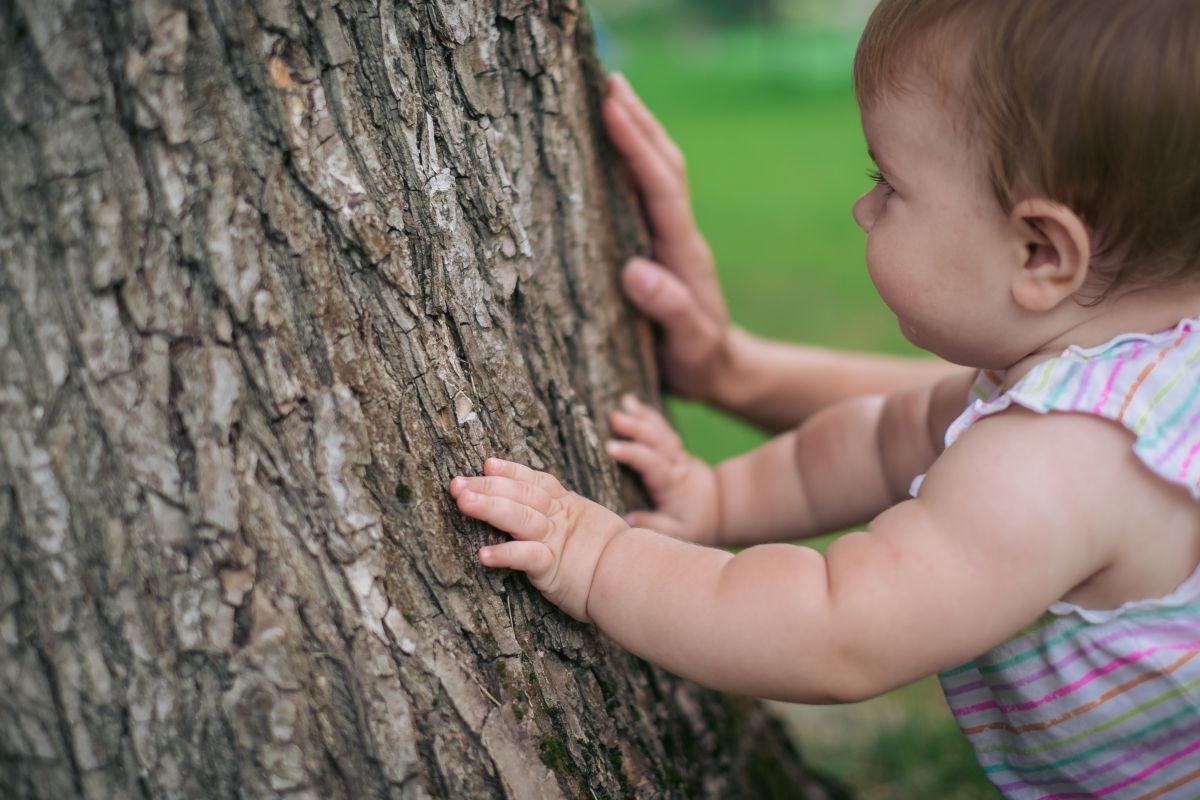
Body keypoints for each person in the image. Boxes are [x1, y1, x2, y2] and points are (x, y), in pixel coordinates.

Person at [449, 1, 1200, 795]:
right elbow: (884, 438)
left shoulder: (1054, 463)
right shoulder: (1139, 369)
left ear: (1041, 252)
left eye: (889, 184)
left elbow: (839, 629)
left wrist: (599, 559)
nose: (861, 208)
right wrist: (719, 497)